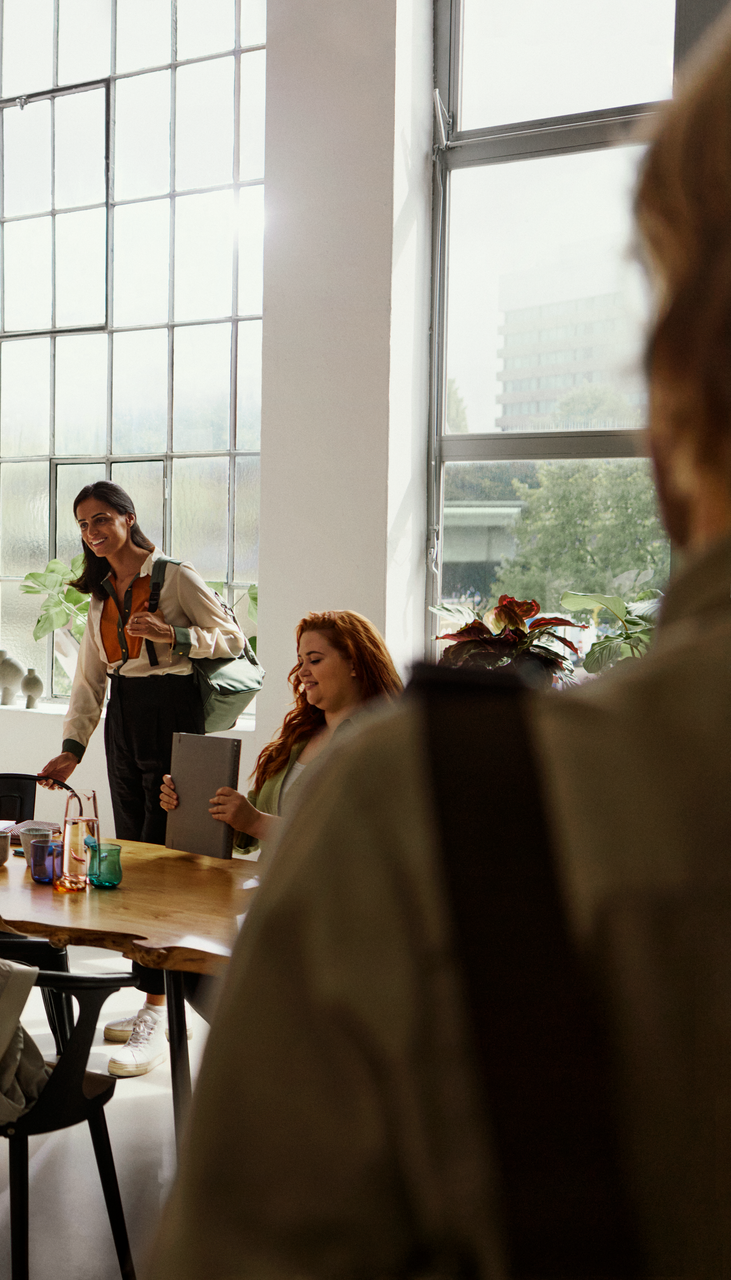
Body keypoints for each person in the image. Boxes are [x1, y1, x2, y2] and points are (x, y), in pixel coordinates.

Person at [152, 26, 731, 1275]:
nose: (299, 677)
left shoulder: (424, 812)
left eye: (313, 659)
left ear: (679, 381)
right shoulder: (340, 767)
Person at [34, 480, 246, 1075]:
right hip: (123, 719)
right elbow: (89, 684)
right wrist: (72, 750)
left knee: (167, 862)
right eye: (83, 525)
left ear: (129, 519)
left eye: (102, 519)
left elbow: (234, 639)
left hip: (175, 712)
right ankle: (156, 995)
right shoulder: (99, 594)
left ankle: (158, 1009)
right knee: (129, 858)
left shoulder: (175, 576)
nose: (93, 532)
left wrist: (174, 635)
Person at [156, 610, 402, 857]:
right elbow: (246, 835)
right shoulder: (298, 739)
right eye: (301, 661)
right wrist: (197, 805)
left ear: (354, 664)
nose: (302, 671)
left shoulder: (381, 743)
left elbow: (353, 840)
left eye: (314, 660)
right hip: (274, 890)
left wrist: (255, 821)